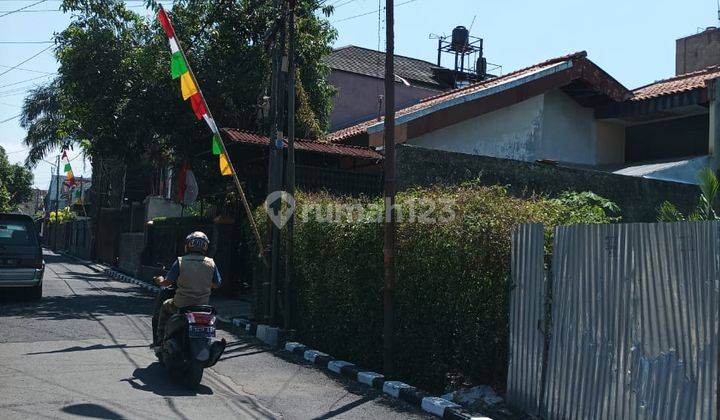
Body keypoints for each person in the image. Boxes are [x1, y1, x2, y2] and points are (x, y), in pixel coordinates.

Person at [152, 231, 221, 346]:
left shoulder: (181, 261)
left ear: (188, 245)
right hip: (202, 306)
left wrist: (159, 280)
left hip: (181, 305)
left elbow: (167, 282)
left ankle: (160, 339)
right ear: (205, 246)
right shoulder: (211, 263)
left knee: (165, 306)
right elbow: (216, 284)